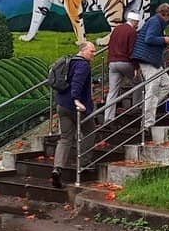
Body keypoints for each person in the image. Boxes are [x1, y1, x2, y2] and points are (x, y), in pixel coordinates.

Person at [51, 41, 96, 189]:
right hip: (75, 107)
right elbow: (77, 82)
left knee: (65, 138)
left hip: (62, 105)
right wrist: (76, 99)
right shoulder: (83, 65)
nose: (94, 54)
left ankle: (57, 168)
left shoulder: (70, 61)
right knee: (89, 130)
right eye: (91, 51)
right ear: (82, 51)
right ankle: (84, 162)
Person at [131, 3, 169, 138]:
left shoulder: (155, 21)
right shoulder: (156, 22)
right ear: (165, 14)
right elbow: (149, 38)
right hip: (148, 61)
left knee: (168, 84)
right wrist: (165, 39)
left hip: (153, 61)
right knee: (151, 91)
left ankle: (150, 106)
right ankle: (147, 124)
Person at [104, 12, 141, 124]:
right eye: (137, 23)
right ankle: (137, 107)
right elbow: (132, 51)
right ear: (134, 22)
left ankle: (108, 118)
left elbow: (110, 45)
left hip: (112, 62)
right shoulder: (132, 32)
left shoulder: (116, 29)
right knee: (139, 82)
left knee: (112, 91)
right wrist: (136, 67)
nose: (138, 25)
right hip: (125, 62)